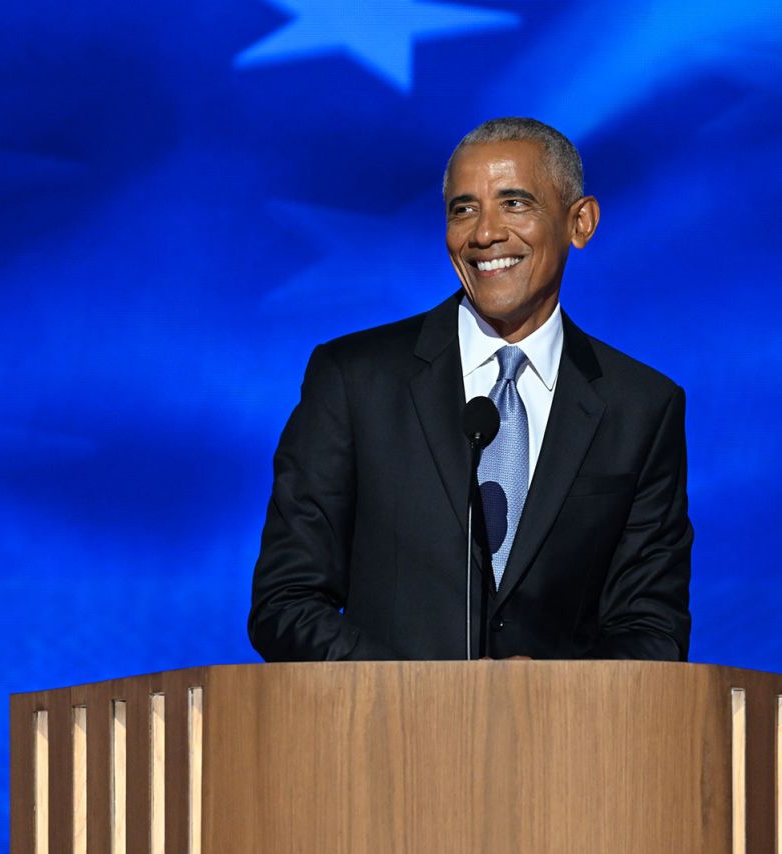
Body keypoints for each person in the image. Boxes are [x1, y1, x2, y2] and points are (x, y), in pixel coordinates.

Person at [249, 117, 692, 661]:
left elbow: (651, 629)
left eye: (515, 203)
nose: (484, 234)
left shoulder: (640, 408)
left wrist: (553, 700)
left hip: (564, 741)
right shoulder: (354, 380)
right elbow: (287, 601)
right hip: (381, 736)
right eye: (464, 209)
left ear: (580, 222)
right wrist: (423, 701)